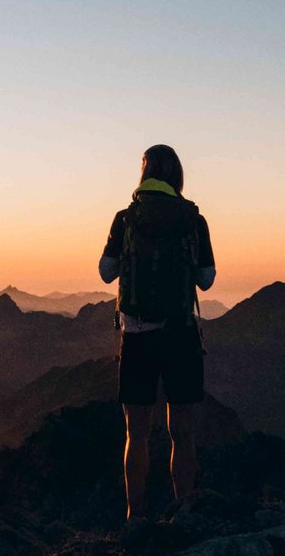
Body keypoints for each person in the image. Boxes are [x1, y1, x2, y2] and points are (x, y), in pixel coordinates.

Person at [98, 144, 216, 521]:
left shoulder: (125, 218)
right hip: (180, 334)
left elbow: (105, 271)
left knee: (138, 433)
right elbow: (207, 279)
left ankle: (136, 516)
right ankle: (183, 512)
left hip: (137, 335)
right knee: (183, 433)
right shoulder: (193, 220)